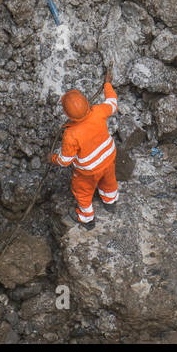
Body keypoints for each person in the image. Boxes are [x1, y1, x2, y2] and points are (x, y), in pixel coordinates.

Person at [47, 66, 119, 229]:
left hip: (88, 171)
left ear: (68, 115)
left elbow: (65, 160)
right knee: (109, 180)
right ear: (87, 103)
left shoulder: (70, 135)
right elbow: (112, 103)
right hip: (108, 158)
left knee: (83, 192)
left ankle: (87, 219)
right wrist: (107, 84)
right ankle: (110, 201)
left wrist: (51, 158)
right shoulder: (98, 111)